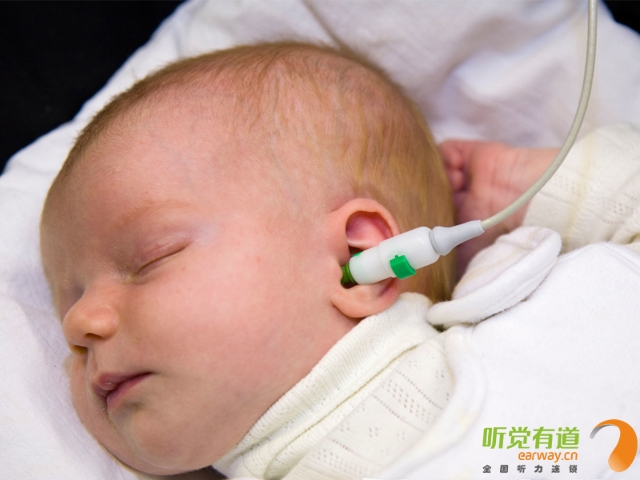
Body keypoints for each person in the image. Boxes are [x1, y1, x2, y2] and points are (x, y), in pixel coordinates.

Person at [39, 40, 640, 479]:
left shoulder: (534, 322)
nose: (79, 324)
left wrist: (523, 187)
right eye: (70, 303)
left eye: (150, 258)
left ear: (360, 256)